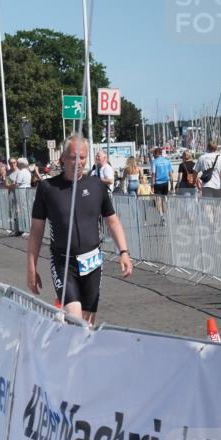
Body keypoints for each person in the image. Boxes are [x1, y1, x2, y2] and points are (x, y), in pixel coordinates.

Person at [26, 135, 132, 324]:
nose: (78, 162)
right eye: (73, 157)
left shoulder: (97, 186)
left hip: (92, 262)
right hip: (63, 263)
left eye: (82, 157)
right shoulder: (47, 188)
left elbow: (113, 222)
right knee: (75, 318)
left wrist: (124, 252)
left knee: (88, 322)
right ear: (63, 158)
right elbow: (36, 231)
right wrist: (31, 268)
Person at [149, 146, 173, 221]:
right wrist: (172, 185)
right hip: (166, 183)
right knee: (164, 199)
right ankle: (165, 215)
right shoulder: (167, 161)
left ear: (156, 154)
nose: (153, 155)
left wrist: (152, 185)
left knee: (158, 201)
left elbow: (153, 174)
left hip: (158, 183)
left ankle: (161, 216)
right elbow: (171, 174)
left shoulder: (154, 162)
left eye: (154, 154)